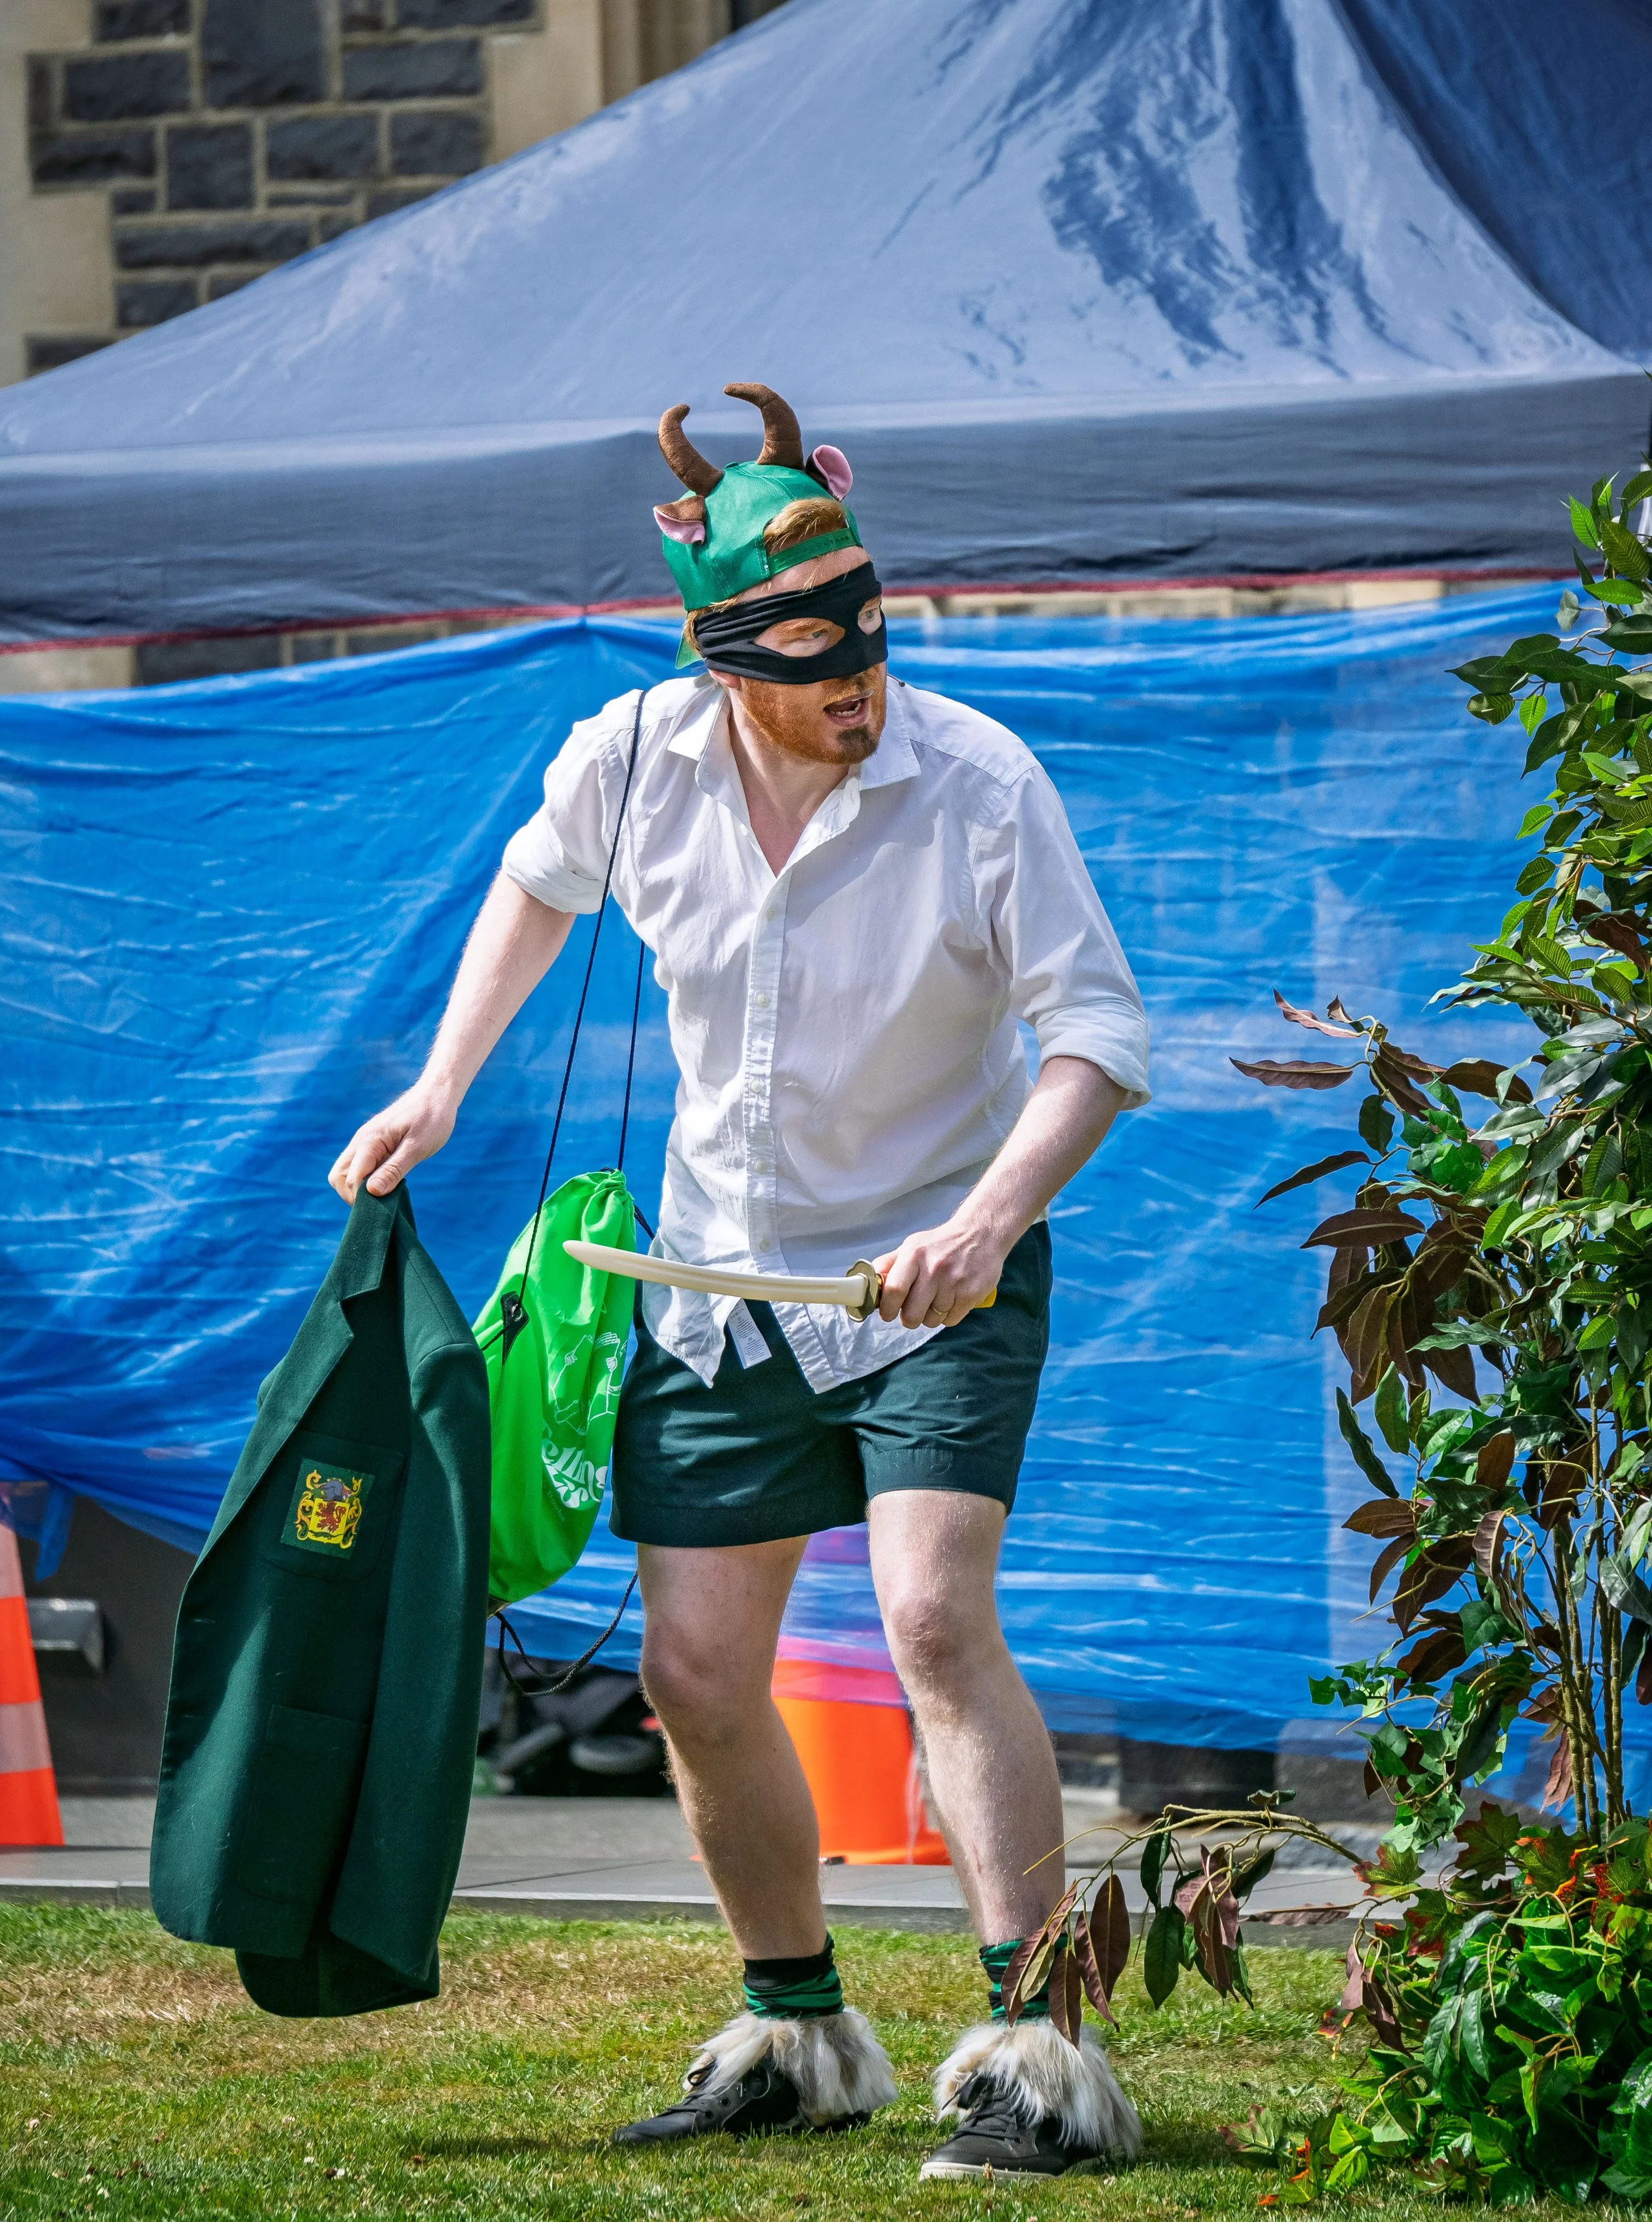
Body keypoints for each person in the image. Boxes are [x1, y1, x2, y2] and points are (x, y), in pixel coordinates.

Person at [331, 383, 1149, 2181]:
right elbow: (534, 890)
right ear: (718, 659)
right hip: (711, 1284)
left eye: (866, 638)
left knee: (933, 1616)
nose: (854, 684)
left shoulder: (979, 782)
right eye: (809, 660)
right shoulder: (625, 759)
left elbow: (1092, 1034)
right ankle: (793, 2029)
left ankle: (1036, 2048)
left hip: (936, 1261)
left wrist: (994, 1219)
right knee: (696, 1673)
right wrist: (445, 1076)